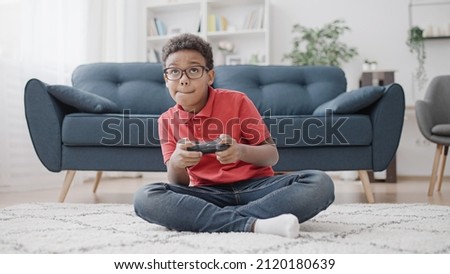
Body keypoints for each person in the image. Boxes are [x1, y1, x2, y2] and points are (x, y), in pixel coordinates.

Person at [133, 33, 334, 238]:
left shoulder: (237, 101)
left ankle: (220, 220)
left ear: (210, 76)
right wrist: (176, 162)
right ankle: (258, 224)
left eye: (193, 70)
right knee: (145, 197)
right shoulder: (166, 120)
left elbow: (272, 155)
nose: (183, 80)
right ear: (166, 79)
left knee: (319, 183)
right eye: (174, 72)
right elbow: (179, 185)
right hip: (208, 194)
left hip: (258, 188)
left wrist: (240, 151)